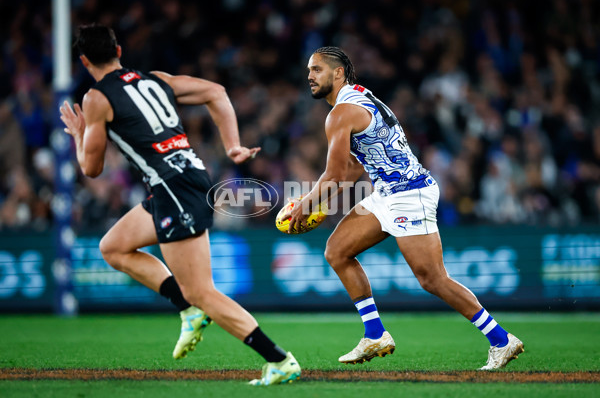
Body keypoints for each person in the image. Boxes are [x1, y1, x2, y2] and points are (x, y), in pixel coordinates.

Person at [60, 24, 300, 385]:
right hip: (178, 183)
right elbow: (215, 92)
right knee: (113, 247)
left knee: (202, 291)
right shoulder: (155, 79)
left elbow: (91, 168)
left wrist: (80, 136)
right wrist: (232, 145)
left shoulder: (97, 98)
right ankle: (187, 309)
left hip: (174, 190)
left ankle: (279, 360)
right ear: (119, 51)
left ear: (83, 61)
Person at [288, 46, 524, 370]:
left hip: (409, 194)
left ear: (338, 72)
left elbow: (335, 174)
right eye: (308, 71)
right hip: (389, 192)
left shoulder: (340, 113)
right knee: (337, 250)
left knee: (432, 278)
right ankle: (375, 334)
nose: (310, 76)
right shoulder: (361, 97)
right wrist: (321, 203)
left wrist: (305, 204)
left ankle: (501, 339)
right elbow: (356, 168)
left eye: (316, 69)